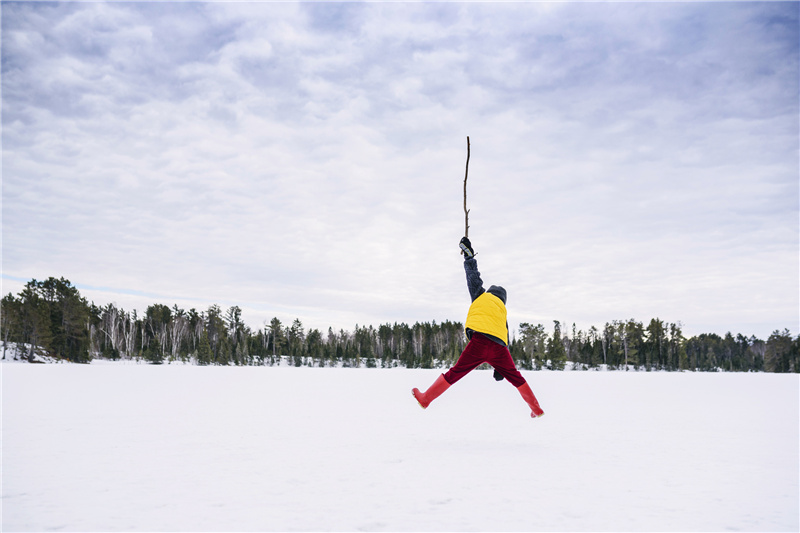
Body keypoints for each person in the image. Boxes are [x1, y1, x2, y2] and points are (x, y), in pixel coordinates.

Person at [411, 237, 545, 418]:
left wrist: (469, 255)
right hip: (498, 348)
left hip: (479, 342)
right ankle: (536, 409)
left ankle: (426, 398)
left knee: (455, 373)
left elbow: (472, 275)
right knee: (516, 378)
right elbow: (504, 338)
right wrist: (500, 369)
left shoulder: (481, 296)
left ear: (490, 292)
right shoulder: (502, 311)